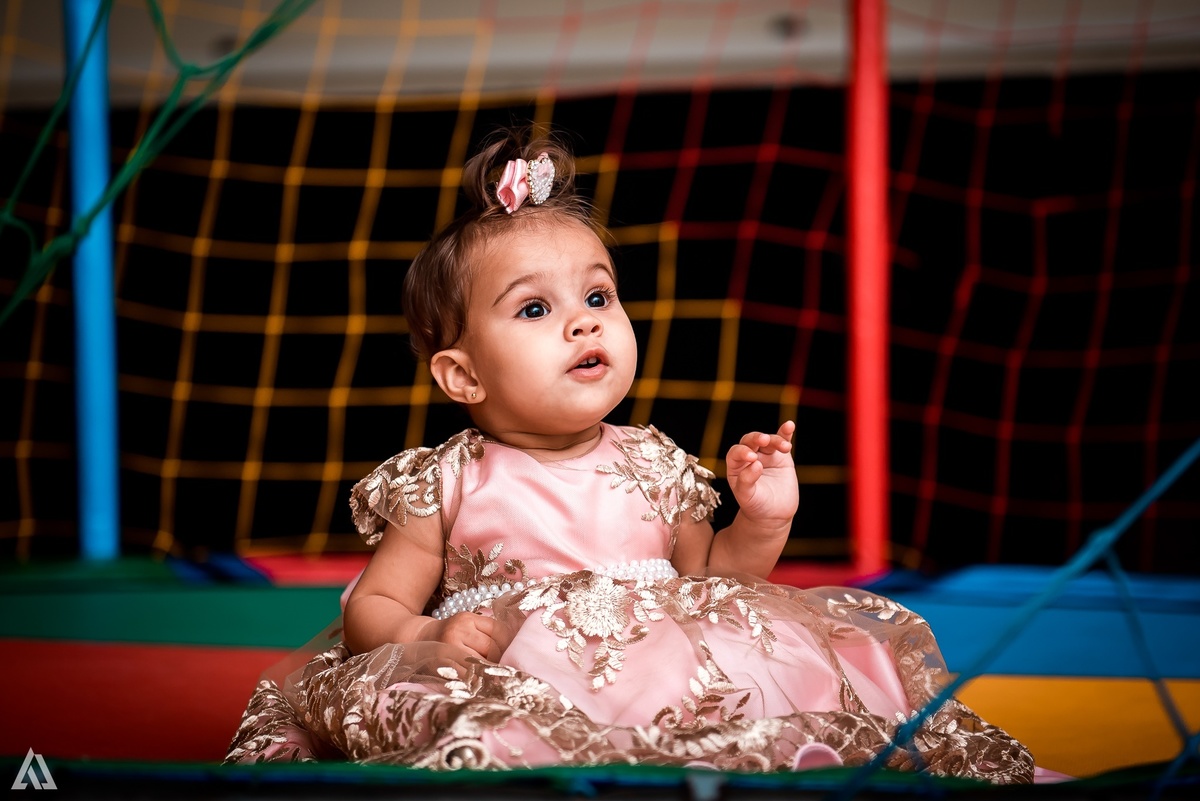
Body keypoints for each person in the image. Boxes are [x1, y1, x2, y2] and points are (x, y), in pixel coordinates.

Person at [224, 128, 1036, 783]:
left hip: (661, 664)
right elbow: (370, 609)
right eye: (537, 307)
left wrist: (764, 517)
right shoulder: (445, 479)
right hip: (514, 660)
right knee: (473, 712)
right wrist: (429, 636)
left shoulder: (655, 462)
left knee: (785, 666)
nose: (584, 323)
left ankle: (755, 752)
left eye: (599, 296)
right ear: (462, 373)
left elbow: (718, 582)